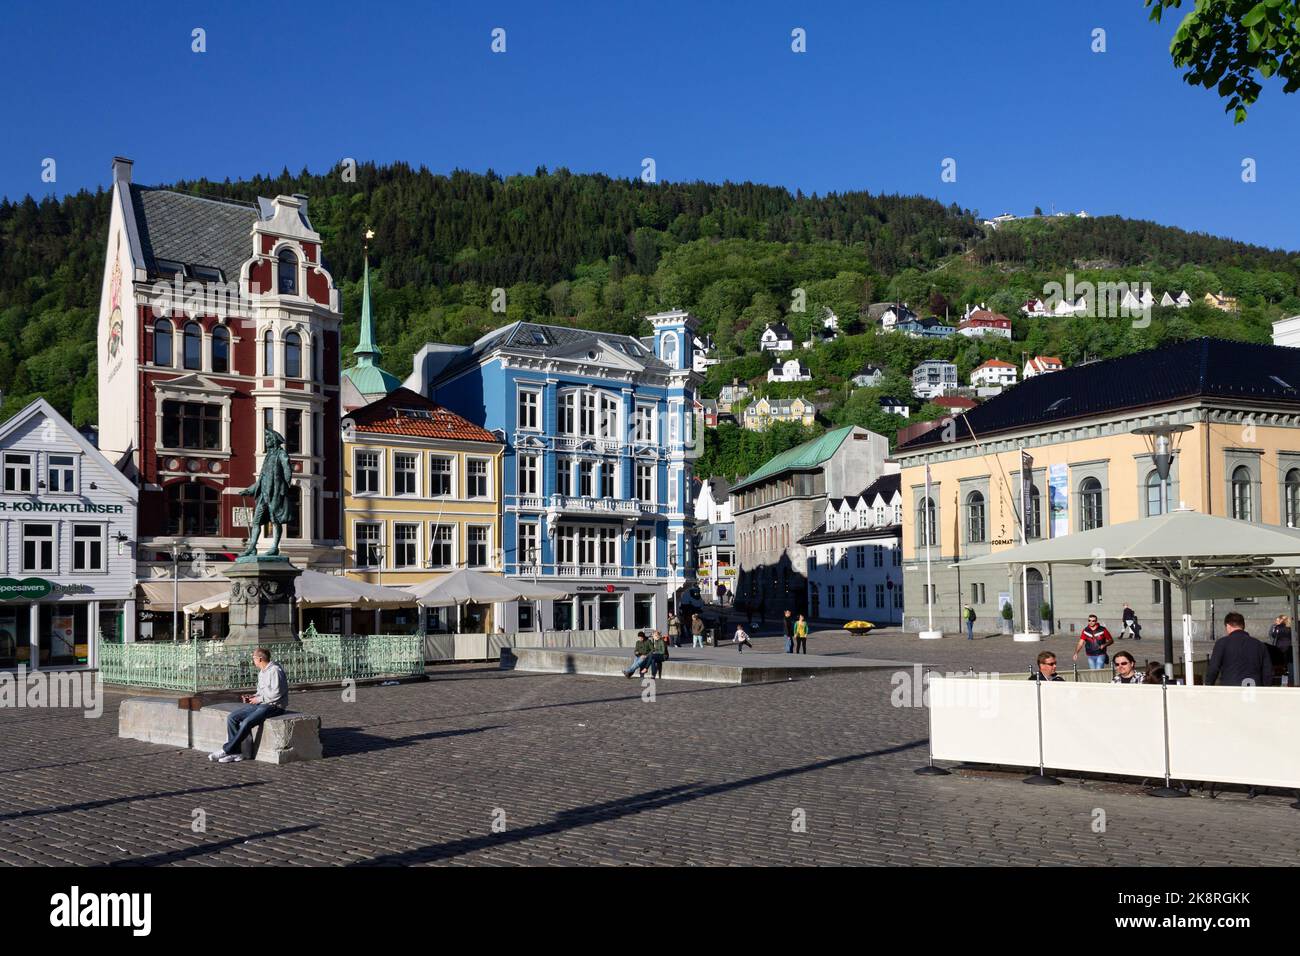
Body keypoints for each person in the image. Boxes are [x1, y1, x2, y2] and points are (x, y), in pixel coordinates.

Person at [208, 648, 287, 762]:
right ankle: (236, 753)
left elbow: (277, 693)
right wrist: (252, 697)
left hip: (274, 706)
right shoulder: (262, 671)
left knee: (247, 722)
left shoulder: (275, 670)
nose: (252, 661)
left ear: (260, 659)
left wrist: (259, 698)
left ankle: (227, 750)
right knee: (232, 717)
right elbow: (261, 692)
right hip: (262, 703)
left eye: (253, 658)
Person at [1206, 612, 1272, 687]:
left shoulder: (1222, 643)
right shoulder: (1259, 645)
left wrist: (1208, 686)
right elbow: (1267, 672)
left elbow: (1213, 668)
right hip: (1253, 690)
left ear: (1228, 626)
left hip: (1230, 690)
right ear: (1243, 626)